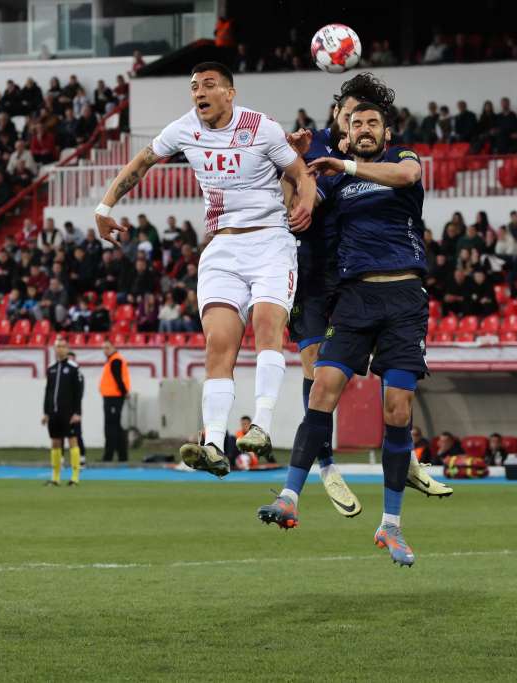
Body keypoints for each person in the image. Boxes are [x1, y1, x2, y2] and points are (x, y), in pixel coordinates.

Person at [94, 62, 315, 476]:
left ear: (229, 93)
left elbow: (299, 171)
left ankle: (261, 428)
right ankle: (213, 443)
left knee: (268, 326)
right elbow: (142, 161)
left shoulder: (261, 127)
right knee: (218, 346)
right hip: (220, 249)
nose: (200, 92)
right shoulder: (183, 129)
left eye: (209, 85)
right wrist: (105, 207)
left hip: (269, 241)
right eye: (194, 86)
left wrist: (304, 200)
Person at [257, 101, 432, 567]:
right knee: (322, 392)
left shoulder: (402, 159)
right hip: (354, 299)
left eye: (373, 123)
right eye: (356, 124)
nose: (365, 129)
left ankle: (391, 525)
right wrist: (291, 166)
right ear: (346, 132)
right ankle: (290, 497)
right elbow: (297, 207)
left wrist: (347, 163)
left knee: (397, 408)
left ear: (386, 132)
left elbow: (409, 179)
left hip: (404, 297)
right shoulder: (334, 180)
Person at [42, 338, 83, 486]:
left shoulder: (74, 368)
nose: (59, 349)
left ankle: (75, 476)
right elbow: (48, 392)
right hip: (54, 413)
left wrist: (77, 412)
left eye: (62, 346)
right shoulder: (51, 368)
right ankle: (55, 477)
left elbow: (78, 393)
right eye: (57, 346)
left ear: (67, 349)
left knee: (72, 441)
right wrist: (46, 412)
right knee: (55, 442)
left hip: (69, 413)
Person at [99, 340, 129, 463]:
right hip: (112, 397)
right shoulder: (114, 360)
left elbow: (118, 379)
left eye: (107, 347)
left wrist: (123, 392)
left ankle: (109, 456)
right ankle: (121, 456)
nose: (105, 350)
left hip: (114, 397)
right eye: (103, 348)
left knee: (111, 427)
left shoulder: (115, 360)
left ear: (113, 347)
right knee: (115, 426)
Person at [66, 351, 86, 465]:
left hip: (74, 409)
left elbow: (80, 394)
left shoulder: (79, 375)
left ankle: (82, 458)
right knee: (60, 436)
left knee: (77, 434)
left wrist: (77, 411)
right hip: (62, 410)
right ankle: (61, 460)